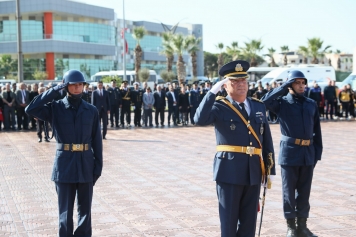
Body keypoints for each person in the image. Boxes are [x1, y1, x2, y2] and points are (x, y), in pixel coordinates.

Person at [194, 60, 275, 237]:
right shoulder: (219, 106)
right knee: (229, 223)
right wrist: (212, 92)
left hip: (253, 171)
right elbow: (199, 119)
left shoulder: (258, 106)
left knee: (249, 225)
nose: (241, 85)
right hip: (229, 172)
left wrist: (268, 171)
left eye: (243, 81)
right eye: (235, 82)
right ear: (225, 85)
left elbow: (266, 141)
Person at [25, 69, 103, 237]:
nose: (77, 88)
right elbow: (31, 109)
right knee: (65, 213)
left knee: (85, 212)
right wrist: (54, 90)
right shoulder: (56, 108)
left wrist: (98, 167)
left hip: (85, 164)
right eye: (73, 84)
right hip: (64, 165)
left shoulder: (91, 111)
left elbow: (97, 140)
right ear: (66, 86)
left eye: (80, 84)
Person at [262, 70, 322, 237]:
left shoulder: (311, 104)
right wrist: (283, 87)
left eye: (303, 83)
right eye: (297, 83)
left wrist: (316, 153)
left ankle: (302, 226)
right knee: (289, 192)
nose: (302, 86)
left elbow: (317, 130)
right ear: (290, 85)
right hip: (289, 154)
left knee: (304, 192)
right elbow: (264, 102)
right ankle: (291, 227)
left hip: (308, 154)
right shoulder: (282, 103)